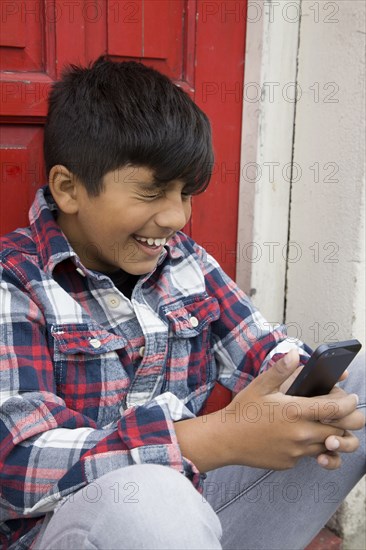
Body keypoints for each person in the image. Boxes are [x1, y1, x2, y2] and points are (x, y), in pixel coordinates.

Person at [0, 57, 364, 550]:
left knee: (358, 382)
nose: (176, 216)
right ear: (69, 188)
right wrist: (215, 439)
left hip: (195, 519)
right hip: (69, 531)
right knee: (150, 498)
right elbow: (17, 465)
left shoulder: (185, 262)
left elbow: (266, 351)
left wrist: (314, 395)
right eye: (151, 192)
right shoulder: (15, 280)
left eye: (186, 193)